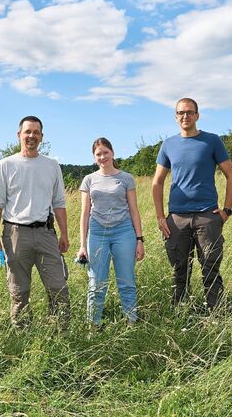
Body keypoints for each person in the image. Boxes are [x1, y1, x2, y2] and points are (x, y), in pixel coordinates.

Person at [152, 98, 232, 310]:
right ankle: (180, 313)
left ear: (197, 116)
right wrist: (161, 216)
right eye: (181, 113)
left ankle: (215, 313)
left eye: (190, 112)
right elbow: (157, 182)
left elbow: (231, 175)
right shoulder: (168, 145)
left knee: (210, 267)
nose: (185, 116)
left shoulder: (212, 141)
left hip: (207, 216)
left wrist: (226, 211)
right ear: (175, 117)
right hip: (177, 218)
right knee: (180, 269)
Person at [0, 116, 70, 328]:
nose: (31, 136)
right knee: (19, 291)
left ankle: (59, 331)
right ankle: (23, 334)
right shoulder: (6, 165)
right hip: (15, 234)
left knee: (58, 288)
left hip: (45, 233)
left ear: (42, 136)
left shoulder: (52, 166)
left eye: (36, 132)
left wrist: (64, 234)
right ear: (19, 135)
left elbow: (59, 203)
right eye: (27, 132)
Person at [77, 138, 145, 326]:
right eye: (98, 154)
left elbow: (134, 209)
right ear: (94, 157)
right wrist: (83, 245)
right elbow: (84, 214)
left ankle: (131, 323)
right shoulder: (89, 180)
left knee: (127, 282)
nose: (102, 157)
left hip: (124, 232)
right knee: (96, 284)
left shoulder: (126, 178)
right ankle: (93, 326)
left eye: (105, 152)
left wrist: (139, 239)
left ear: (112, 153)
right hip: (97, 232)